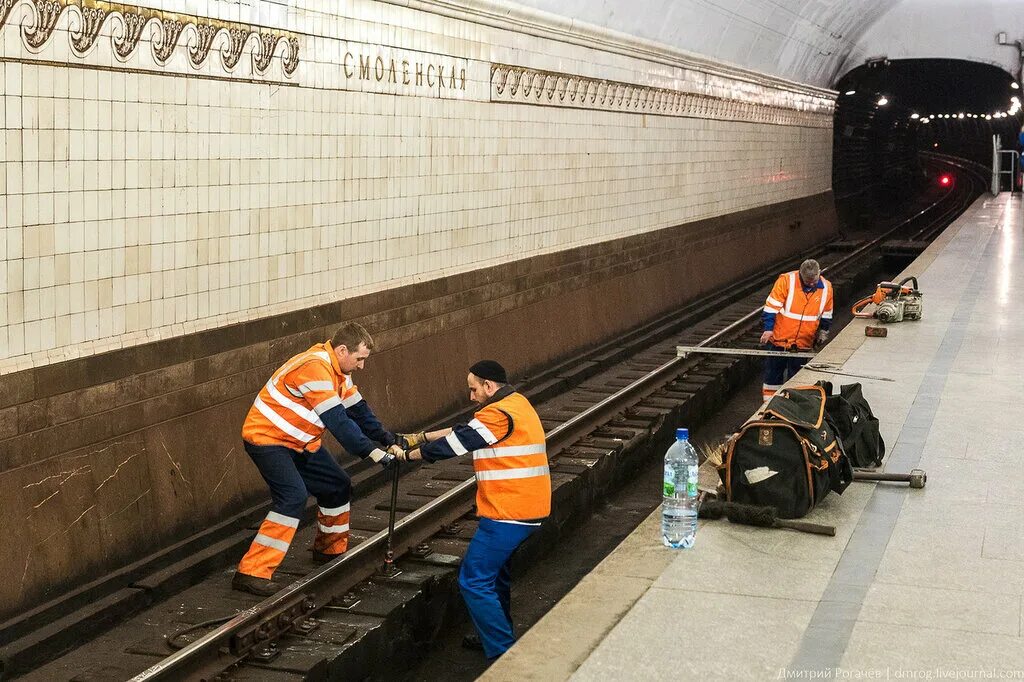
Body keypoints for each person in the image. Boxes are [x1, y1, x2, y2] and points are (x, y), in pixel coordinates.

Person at [233, 322, 415, 596]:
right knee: (293, 497)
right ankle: (251, 572)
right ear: (342, 350)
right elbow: (339, 423)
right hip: (268, 440)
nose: (362, 366)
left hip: (301, 442)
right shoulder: (314, 368)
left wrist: (387, 438)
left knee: (337, 485)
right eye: (360, 359)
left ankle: (329, 551)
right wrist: (375, 453)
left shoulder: (339, 371)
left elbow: (359, 411)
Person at [401, 360, 550, 660]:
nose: (470, 396)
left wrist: (409, 455)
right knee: (496, 577)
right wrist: (422, 436)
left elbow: (459, 442)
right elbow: (467, 429)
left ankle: (502, 654)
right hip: (526, 507)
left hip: (509, 513)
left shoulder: (496, 414)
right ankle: (495, 634)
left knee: (474, 579)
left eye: (473, 389)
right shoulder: (515, 402)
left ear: (488, 386)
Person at [759, 259, 833, 401]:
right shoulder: (786, 281)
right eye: (808, 282)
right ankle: (769, 405)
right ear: (801, 275)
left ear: (819, 273)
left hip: (803, 344)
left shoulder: (827, 288)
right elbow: (771, 308)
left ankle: (793, 407)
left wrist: (824, 332)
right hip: (779, 341)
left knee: (797, 379)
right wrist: (768, 329)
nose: (812, 285)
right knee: (772, 378)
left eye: (814, 281)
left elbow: (827, 314)